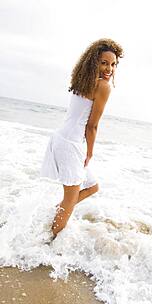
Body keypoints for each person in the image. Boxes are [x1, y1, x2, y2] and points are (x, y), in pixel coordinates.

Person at [40, 38, 124, 239]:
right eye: (104, 62)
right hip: (70, 144)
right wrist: (90, 152)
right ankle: (47, 242)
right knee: (70, 198)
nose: (109, 68)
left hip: (63, 139)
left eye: (113, 64)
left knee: (92, 186)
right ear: (93, 61)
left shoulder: (82, 80)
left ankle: (55, 214)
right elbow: (92, 125)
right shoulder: (103, 86)